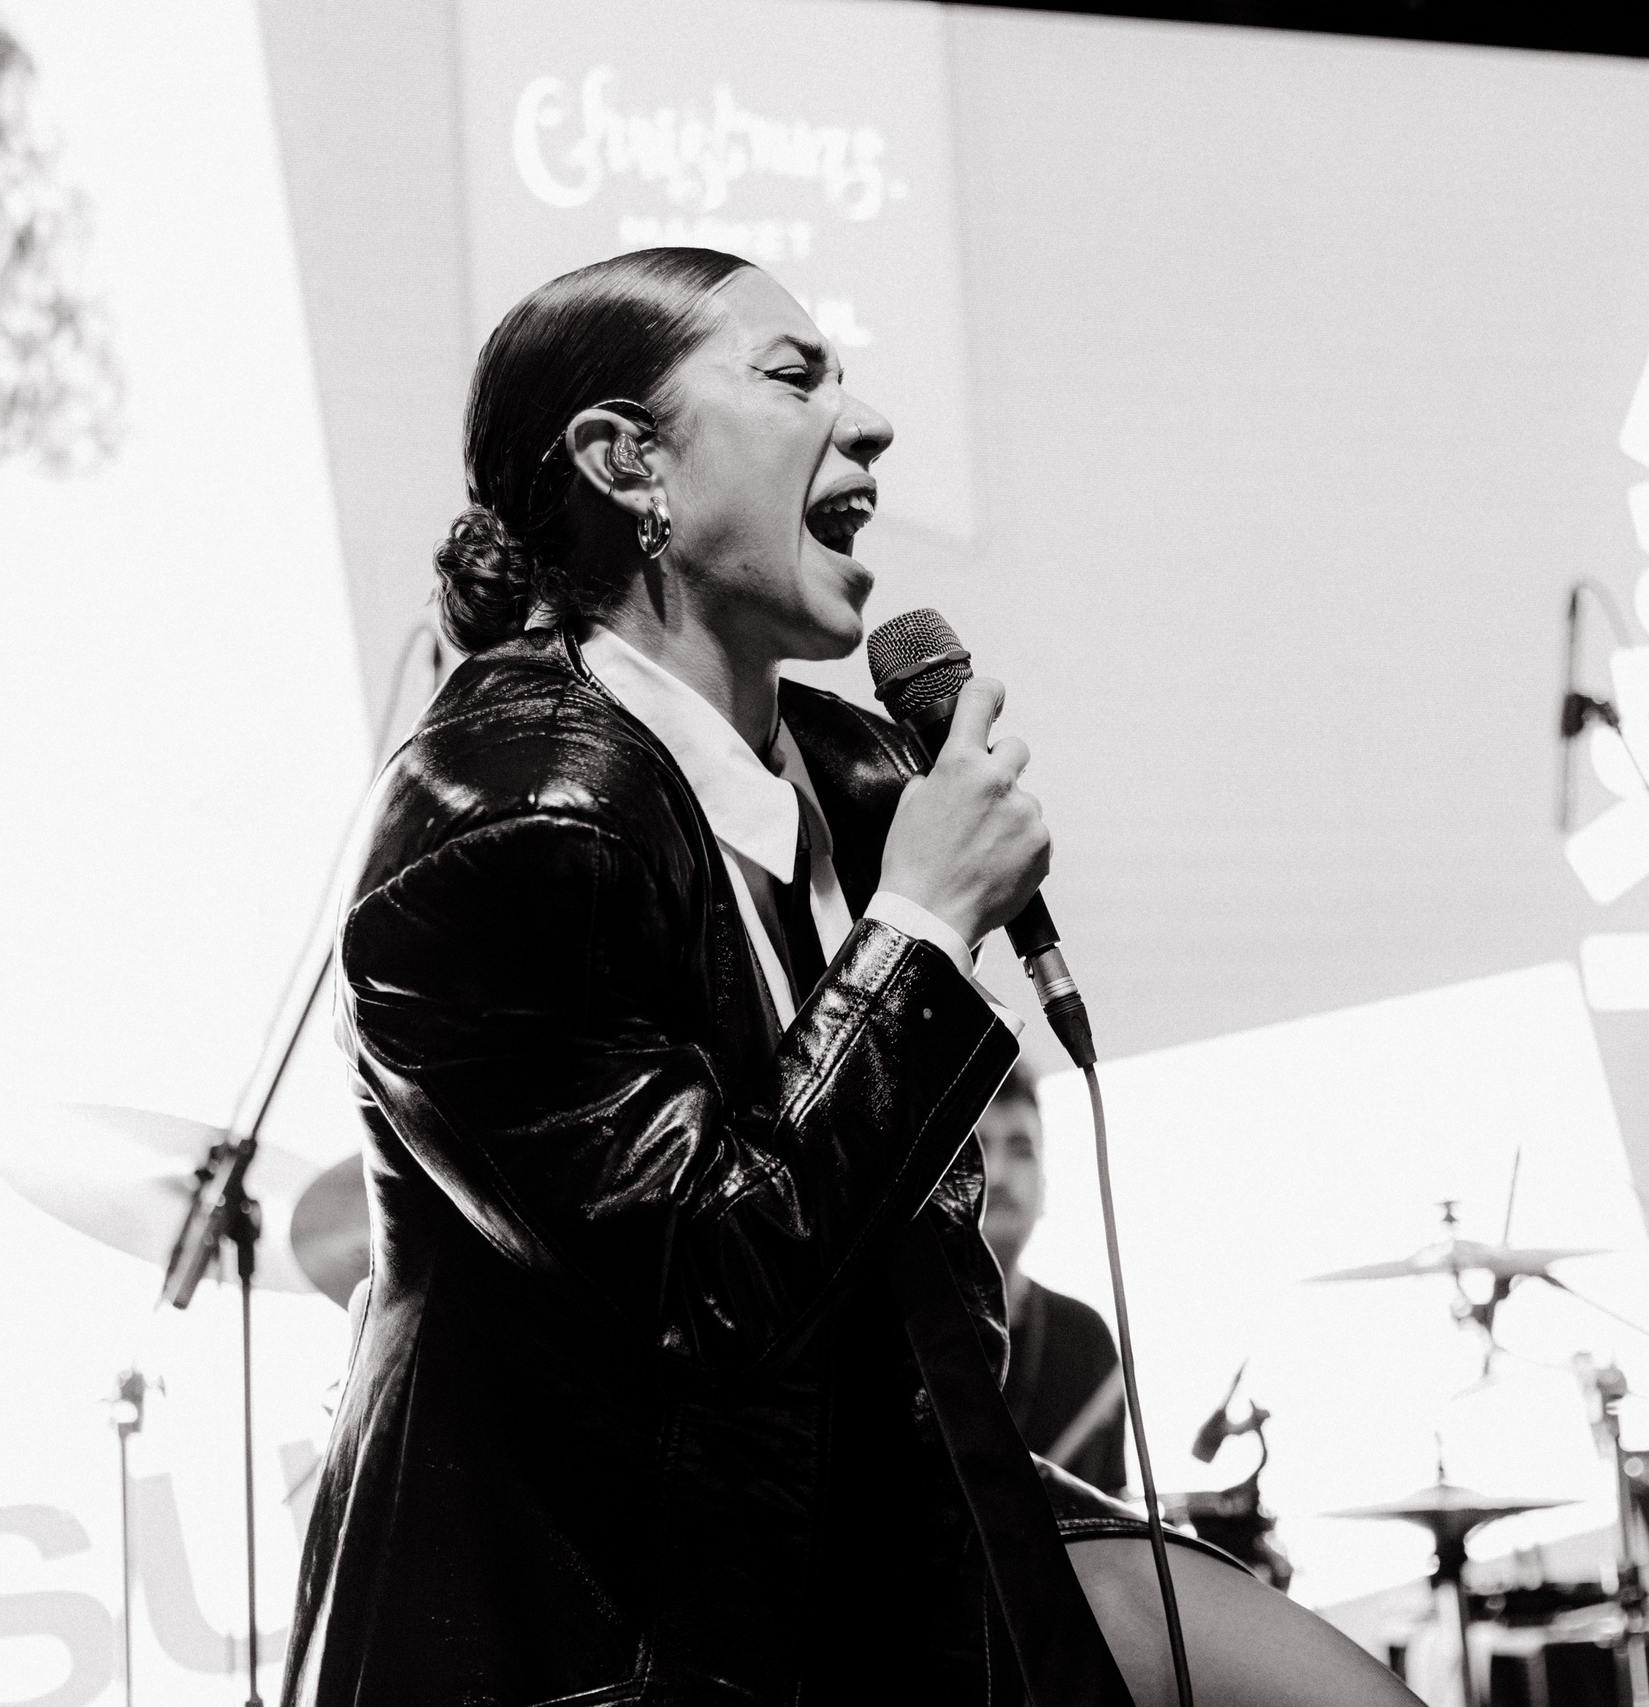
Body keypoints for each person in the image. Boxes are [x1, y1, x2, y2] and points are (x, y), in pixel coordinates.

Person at [279, 248, 1135, 1707]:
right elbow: (710, 1286)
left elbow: (905, 1310)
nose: (867, 426)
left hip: (848, 1584)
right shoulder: (511, 816)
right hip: (593, 1656)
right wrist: (921, 927)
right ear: (627, 464)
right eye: (796, 377)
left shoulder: (856, 777)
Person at [978, 1063, 1127, 1492]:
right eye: (979, 1148)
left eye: (1021, 1149)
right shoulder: (892, 1329)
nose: (1000, 1176)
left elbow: (1113, 1538)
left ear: (1045, 1187)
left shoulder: (1086, 1338)